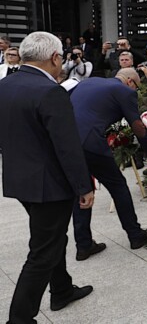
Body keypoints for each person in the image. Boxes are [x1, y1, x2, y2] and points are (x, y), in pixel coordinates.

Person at [0, 31, 95, 323]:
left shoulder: (4, 85)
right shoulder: (51, 91)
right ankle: (19, 318)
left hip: (21, 179)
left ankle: (62, 289)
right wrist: (84, 186)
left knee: (52, 237)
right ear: (55, 58)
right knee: (43, 250)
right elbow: (67, 147)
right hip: (49, 185)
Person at [69, 68, 147, 259]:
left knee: (82, 190)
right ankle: (135, 235)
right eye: (136, 87)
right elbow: (138, 126)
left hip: (67, 145)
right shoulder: (125, 91)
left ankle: (83, 245)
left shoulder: (88, 82)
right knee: (118, 186)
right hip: (91, 143)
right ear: (130, 82)